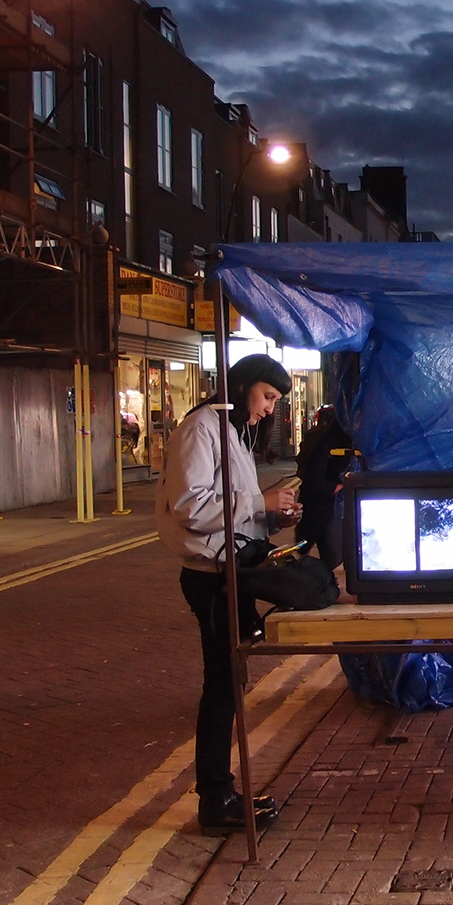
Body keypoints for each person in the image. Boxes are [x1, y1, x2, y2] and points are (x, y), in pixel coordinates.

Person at [157, 354, 302, 835]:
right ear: (242, 386)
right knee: (221, 685)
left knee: (229, 681)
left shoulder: (230, 431)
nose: (268, 409)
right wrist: (258, 502)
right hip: (211, 576)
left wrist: (271, 516)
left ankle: (221, 792)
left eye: (276, 401)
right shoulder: (203, 429)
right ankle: (216, 798)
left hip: (230, 569)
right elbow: (191, 507)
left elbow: (230, 509)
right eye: (266, 397)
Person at [295, 405, 353, 570]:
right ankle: (316, 585)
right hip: (321, 508)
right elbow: (314, 479)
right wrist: (342, 486)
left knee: (332, 555)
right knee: (332, 555)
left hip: (327, 508)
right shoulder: (330, 441)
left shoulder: (342, 438)